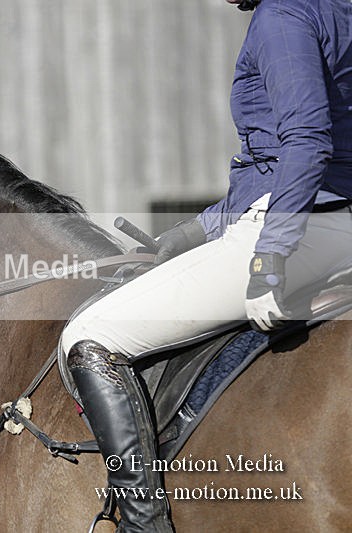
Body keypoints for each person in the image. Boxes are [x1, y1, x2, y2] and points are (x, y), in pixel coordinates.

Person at [60, 0, 352, 530]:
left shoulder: (282, 16)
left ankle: (143, 522)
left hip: (300, 226)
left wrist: (269, 258)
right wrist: (183, 238)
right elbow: (267, 174)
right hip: (339, 227)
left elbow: (305, 143)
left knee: (89, 336)